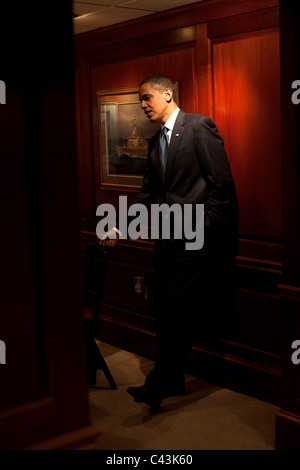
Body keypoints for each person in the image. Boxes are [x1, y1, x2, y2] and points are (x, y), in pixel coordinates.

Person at [100, 74, 238, 411]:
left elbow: (222, 189)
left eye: (147, 98)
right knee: (164, 309)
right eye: (140, 100)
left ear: (167, 93)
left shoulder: (199, 127)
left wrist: (200, 230)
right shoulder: (153, 143)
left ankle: (157, 384)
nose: (143, 105)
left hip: (196, 241)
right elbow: (147, 196)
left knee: (179, 310)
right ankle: (173, 379)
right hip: (167, 239)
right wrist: (119, 227)